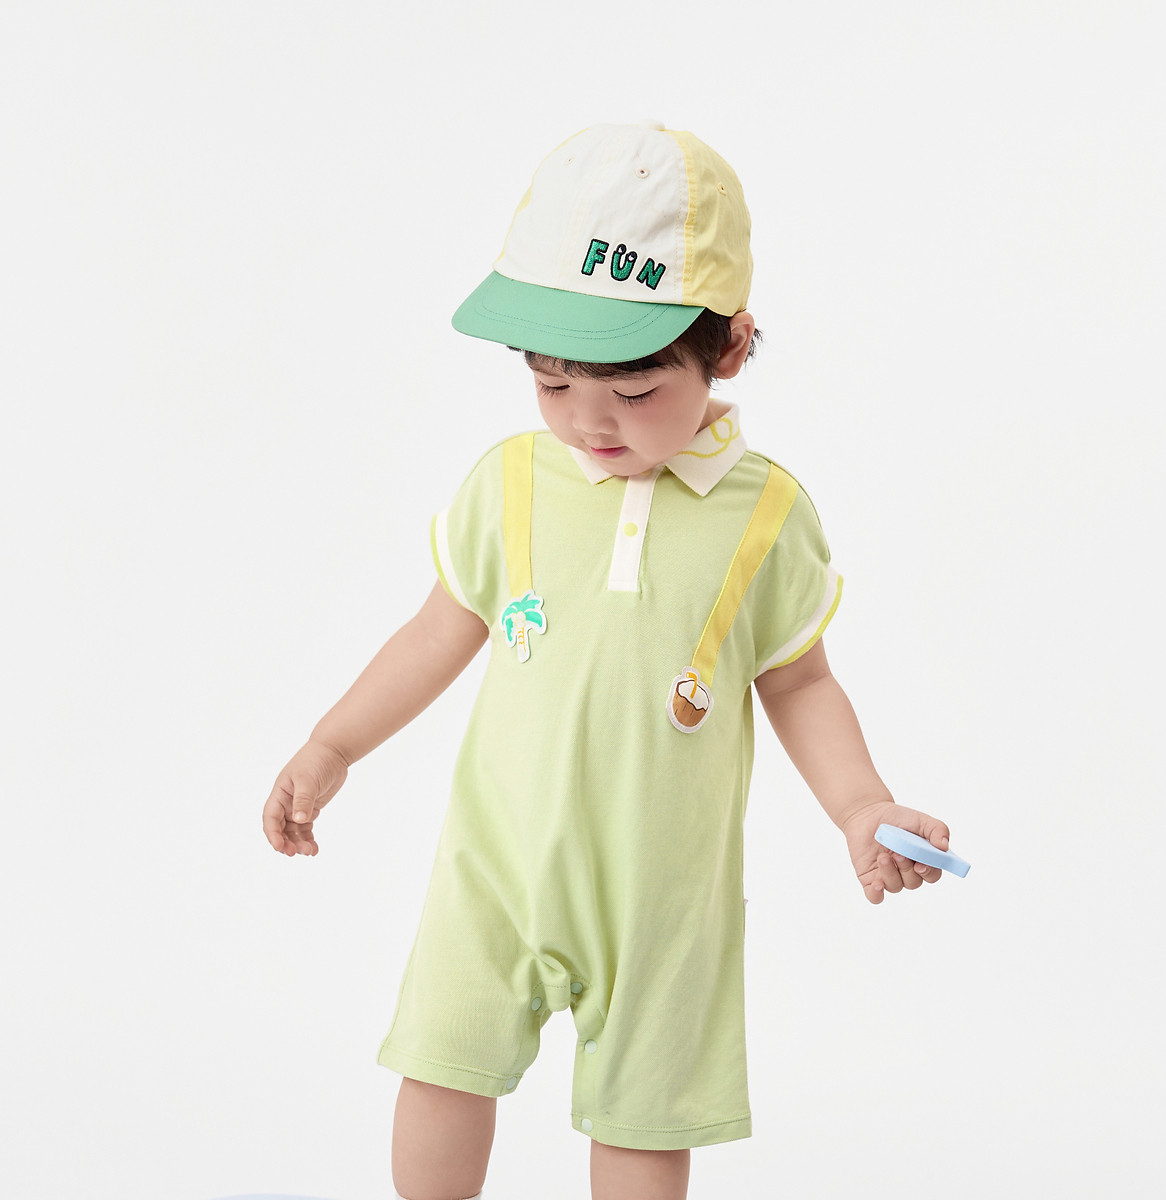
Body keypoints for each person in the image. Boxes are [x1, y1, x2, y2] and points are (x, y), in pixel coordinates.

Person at [263, 121, 955, 1200]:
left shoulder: (767, 513)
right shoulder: (507, 482)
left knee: (644, 1117)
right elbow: (440, 629)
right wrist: (332, 745)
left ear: (729, 347)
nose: (589, 423)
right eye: (551, 385)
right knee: (441, 1068)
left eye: (632, 394)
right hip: (496, 868)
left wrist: (862, 806)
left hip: (666, 901)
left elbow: (800, 680)